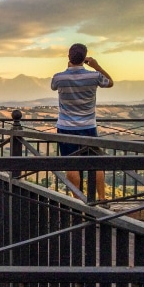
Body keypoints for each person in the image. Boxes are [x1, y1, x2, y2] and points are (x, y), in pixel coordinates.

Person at [50, 43, 114, 204]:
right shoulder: (94, 77)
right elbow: (110, 82)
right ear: (85, 58)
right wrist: (97, 66)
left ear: (68, 57)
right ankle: (101, 199)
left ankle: (78, 202)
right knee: (96, 162)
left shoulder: (59, 77)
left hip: (65, 127)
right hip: (88, 127)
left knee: (71, 164)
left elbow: (53, 87)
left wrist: (68, 68)